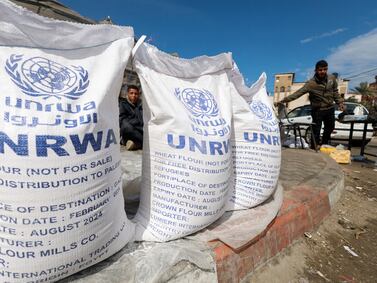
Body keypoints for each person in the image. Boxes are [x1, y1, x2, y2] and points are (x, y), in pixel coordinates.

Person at [275, 60, 344, 148]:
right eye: (320, 70)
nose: (323, 72)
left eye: (325, 69)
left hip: (330, 108)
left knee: (330, 127)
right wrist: (284, 100)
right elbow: (298, 93)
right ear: (316, 70)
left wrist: (340, 102)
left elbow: (335, 92)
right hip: (317, 110)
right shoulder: (311, 84)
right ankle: (314, 147)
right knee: (316, 130)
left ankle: (324, 144)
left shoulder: (332, 79)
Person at [119, 85, 143, 150]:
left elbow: (143, 120)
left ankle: (135, 144)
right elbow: (122, 120)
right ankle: (143, 142)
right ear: (128, 94)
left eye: (136, 94)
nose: (133, 95)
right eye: (131, 93)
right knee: (126, 126)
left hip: (140, 130)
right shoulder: (123, 104)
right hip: (130, 130)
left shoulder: (141, 105)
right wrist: (136, 122)